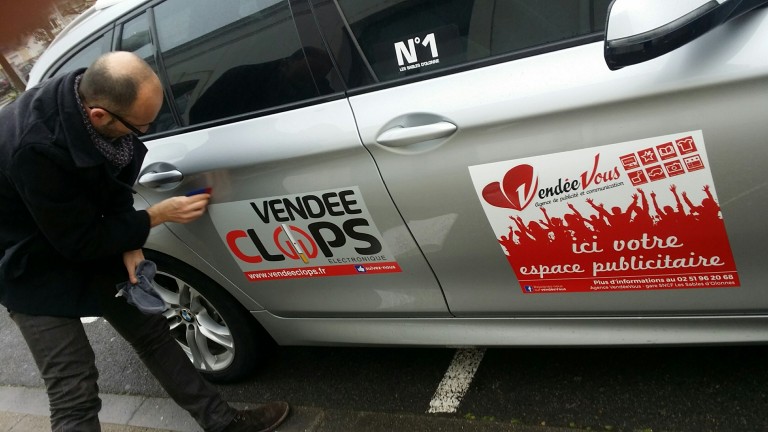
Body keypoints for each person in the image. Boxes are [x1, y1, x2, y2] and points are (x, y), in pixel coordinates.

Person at [0, 51, 290, 432]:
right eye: (139, 127)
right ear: (99, 116)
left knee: (153, 335)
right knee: (74, 389)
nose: (145, 133)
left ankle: (223, 424)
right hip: (28, 265)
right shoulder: (34, 148)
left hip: (82, 230)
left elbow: (114, 183)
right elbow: (79, 241)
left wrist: (131, 243)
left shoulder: (92, 98)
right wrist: (157, 215)